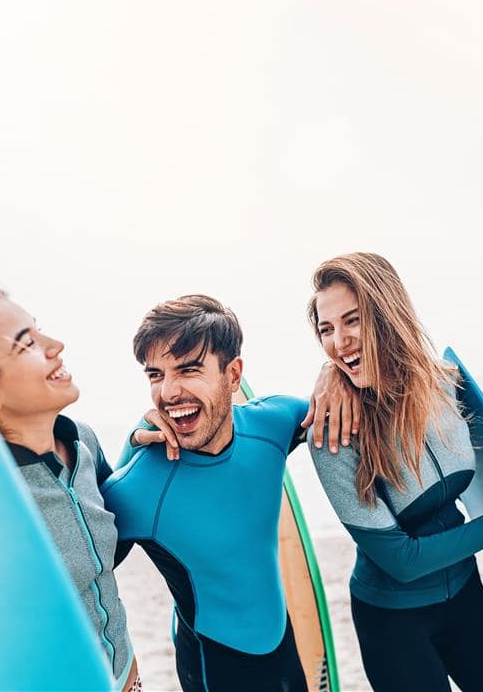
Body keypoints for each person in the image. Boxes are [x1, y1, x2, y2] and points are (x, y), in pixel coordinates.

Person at [306, 252, 483, 692]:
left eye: (352, 321)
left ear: (388, 313)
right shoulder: (335, 433)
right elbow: (403, 562)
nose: (339, 342)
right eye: (326, 329)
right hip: (393, 624)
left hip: (466, 595)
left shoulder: (447, 385)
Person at [101, 294, 354, 692]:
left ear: (233, 375)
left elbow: (342, 402)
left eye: (188, 369)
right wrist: (133, 443)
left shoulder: (272, 424)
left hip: (284, 649)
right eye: (155, 375)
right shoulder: (140, 486)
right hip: (213, 669)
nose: (168, 392)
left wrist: (332, 371)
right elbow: (79, 571)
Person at [0, 284, 161, 692]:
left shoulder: (83, 443)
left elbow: (107, 537)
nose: (55, 346)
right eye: (26, 343)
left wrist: (142, 441)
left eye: (38, 329)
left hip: (128, 677)